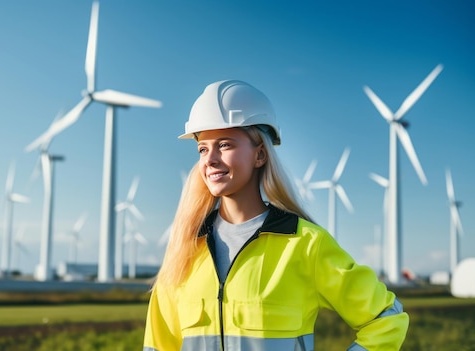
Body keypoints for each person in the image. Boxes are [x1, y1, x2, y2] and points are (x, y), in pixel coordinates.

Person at [142, 80, 409, 351]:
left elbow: (386, 319)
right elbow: (157, 345)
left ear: (260, 155)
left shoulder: (306, 244)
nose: (210, 159)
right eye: (202, 148)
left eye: (224, 145)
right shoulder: (184, 250)